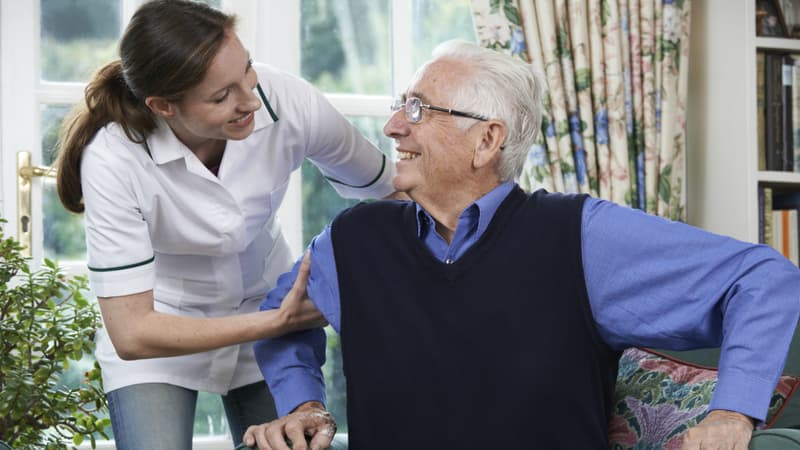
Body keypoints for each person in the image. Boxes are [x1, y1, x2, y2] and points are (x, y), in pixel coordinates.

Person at [242, 39, 800, 450]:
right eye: (399, 104)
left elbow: (763, 278)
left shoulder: (582, 236)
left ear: (486, 140)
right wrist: (303, 404)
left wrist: (732, 412)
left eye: (418, 109)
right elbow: (280, 314)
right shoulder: (352, 240)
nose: (391, 126)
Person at [53, 1, 398, 448]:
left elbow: (390, 188)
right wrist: (277, 321)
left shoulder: (286, 100)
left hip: (265, 301)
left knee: (293, 446)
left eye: (248, 70)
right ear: (163, 106)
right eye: (221, 96)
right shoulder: (114, 157)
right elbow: (133, 332)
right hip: (164, 323)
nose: (250, 99)